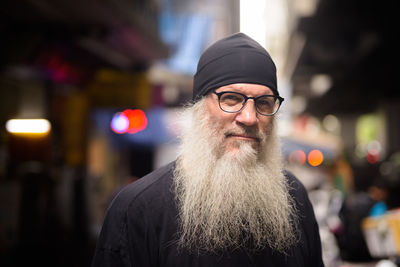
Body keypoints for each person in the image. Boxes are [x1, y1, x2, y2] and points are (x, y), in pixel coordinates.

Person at [91, 32, 324, 267]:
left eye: (264, 103)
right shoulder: (138, 209)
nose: (250, 117)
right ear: (200, 109)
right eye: (231, 98)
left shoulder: (295, 198)